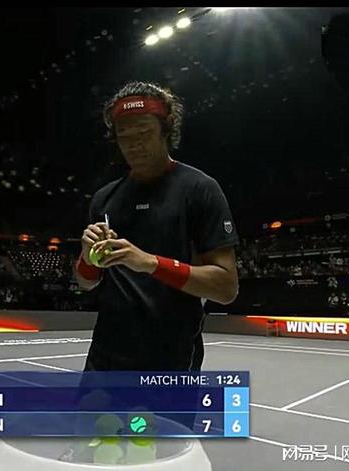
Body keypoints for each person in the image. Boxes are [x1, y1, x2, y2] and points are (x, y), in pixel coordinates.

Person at [75, 81, 240, 373]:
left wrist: (150, 263)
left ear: (167, 129)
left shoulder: (199, 189)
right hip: (104, 359)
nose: (133, 144)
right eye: (124, 135)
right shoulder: (104, 198)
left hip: (171, 359)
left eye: (144, 132)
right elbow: (87, 282)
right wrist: (87, 258)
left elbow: (226, 288)